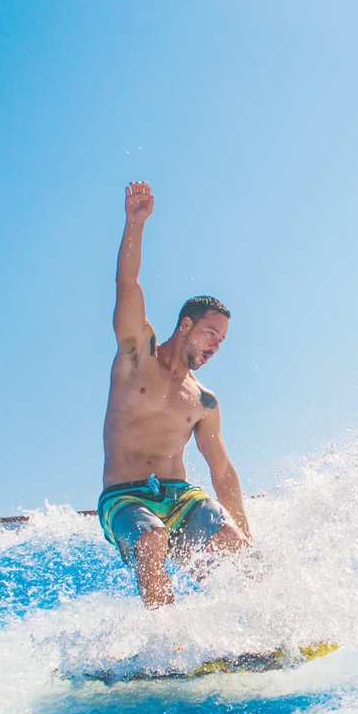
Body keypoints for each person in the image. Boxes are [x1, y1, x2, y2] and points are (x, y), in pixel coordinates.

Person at [98, 180, 251, 607]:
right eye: (211, 333)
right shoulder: (137, 355)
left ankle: (262, 625)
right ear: (185, 325)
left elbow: (222, 471)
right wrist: (135, 223)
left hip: (180, 497)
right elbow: (127, 283)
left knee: (230, 541)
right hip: (125, 497)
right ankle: (165, 636)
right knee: (151, 539)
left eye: (222, 341)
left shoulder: (203, 401)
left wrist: (247, 540)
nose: (216, 346)